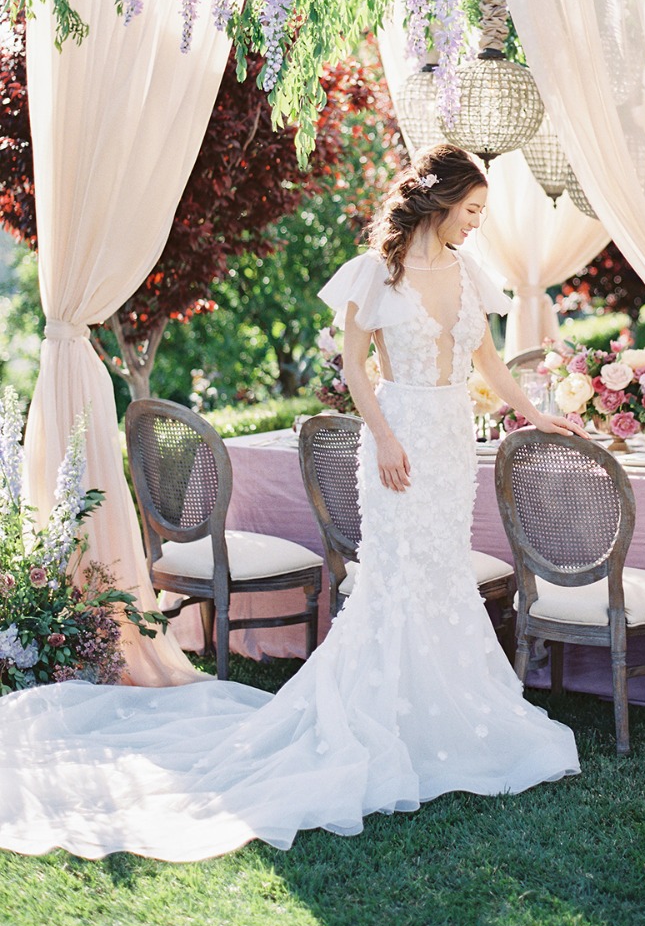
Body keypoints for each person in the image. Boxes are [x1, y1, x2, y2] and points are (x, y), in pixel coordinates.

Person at [0, 143, 581, 861]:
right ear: (440, 202)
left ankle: (448, 718)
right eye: (471, 211)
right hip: (398, 437)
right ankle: (380, 718)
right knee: (397, 575)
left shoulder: (469, 272)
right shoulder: (378, 273)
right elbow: (355, 366)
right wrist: (387, 437)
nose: (475, 225)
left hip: (453, 440)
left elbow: (488, 362)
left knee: (440, 572)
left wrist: (536, 413)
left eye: (480, 215)